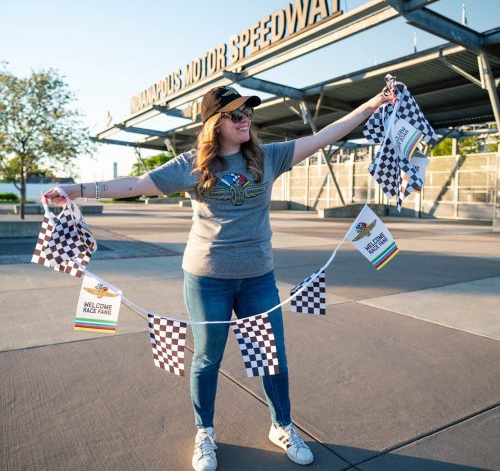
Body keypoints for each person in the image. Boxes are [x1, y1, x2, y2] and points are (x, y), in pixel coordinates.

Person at [44, 85, 391, 471]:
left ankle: (282, 426)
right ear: (215, 123)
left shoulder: (267, 157)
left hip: (258, 278)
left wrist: (373, 103)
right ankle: (204, 433)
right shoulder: (194, 165)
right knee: (208, 357)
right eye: (236, 115)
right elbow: (135, 185)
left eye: (248, 114)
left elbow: (327, 134)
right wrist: (75, 189)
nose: (246, 121)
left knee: (270, 356)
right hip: (207, 278)